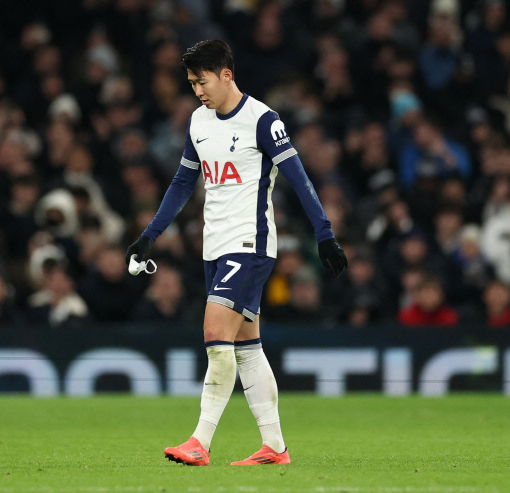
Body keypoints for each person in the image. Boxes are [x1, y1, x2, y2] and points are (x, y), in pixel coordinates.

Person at [125, 40, 348, 467]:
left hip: (250, 244)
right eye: (191, 83)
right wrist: (150, 234)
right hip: (216, 245)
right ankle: (275, 448)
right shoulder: (198, 122)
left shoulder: (262, 120)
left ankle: (200, 441)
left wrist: (324, 234)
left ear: (226, 73)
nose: (197, 91)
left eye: (201, 80)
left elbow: (300, 179)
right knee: (247, 347)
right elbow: (182, 183)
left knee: (215, 336)